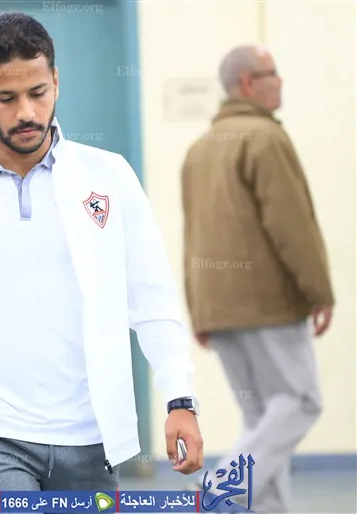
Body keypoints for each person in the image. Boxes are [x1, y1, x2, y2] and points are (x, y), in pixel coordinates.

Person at [0, 12, 204, 492]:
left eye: (38, 92)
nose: (26, 112)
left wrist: (179, 398)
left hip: (89, 434)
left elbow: (151, 297)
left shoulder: (109, 176)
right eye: (6, 98)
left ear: (56, 82)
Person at [181, 45, 333, 512]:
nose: (280, 80)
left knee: (262, 417)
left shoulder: (200, 149)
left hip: (218, 308)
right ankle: (219, 489)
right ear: (248, 83)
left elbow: (192, 236)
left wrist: (198, 311)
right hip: (267, 304)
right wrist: (319, 291)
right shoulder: (266, 138)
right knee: (301, 402)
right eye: (272, 73)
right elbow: (292, 226)